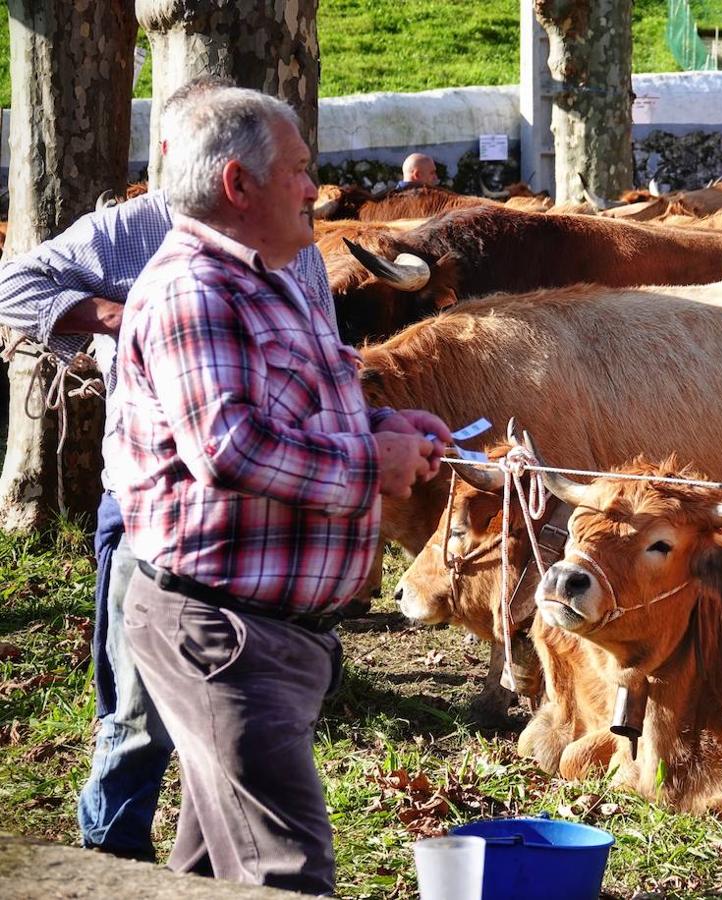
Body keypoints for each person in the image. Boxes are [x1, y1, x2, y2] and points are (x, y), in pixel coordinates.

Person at [108, 86, 452, 893]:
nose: (314, 190)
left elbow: (287, 414)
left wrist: (385, 425)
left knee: (208, 870)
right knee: (287, 873)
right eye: (299, 171)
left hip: (260, 634)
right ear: (239, 185)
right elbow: (231, 447)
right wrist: (374, 468)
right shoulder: (198, 293)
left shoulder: (268, 279)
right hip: (225, 636)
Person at [0, 76, 345, 864]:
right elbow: (11, 282)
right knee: (139, 716)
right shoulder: (134, 234)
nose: (311, 186)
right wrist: (111, 315)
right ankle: (109, 865)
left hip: (258, 528)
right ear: (193, 159)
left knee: (230, 721)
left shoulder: (292, 247)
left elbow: (325, 352)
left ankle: (196, 868)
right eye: (292, 165)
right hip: (157, 516)